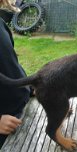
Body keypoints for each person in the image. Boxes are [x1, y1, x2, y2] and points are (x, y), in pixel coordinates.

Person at [0, 0, 30, 148]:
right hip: (5, 126)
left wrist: (31, 86)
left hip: (24, 109)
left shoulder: (0, 23)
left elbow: (11, 63)